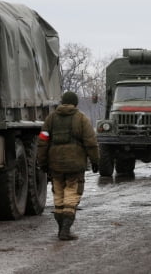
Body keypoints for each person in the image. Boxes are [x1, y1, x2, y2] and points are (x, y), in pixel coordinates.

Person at [37, 91, 99, 240]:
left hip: (55, 164)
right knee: (72, 194)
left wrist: (43, 162)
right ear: (75, 104)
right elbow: (91, 143)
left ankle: (60, 229)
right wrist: (96, 162)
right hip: (75, 165)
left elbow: (42, 141)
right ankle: (65, 230)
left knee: (58, 194)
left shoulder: (50, 119)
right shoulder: (82, 119)